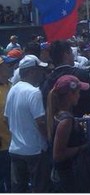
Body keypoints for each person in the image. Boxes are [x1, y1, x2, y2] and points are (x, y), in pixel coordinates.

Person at [4, 54, 51, 192]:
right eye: (40, 70)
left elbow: (6, 119)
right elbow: (41, 122)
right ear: (32, 71)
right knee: (40, 188)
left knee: (19, 189)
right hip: (35, 151)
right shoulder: (33, 92)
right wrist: (48, 140)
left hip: (15, 149)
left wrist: (18, 134)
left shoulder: (13, 88)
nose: (42, 74)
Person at [46, 75, 90, 192]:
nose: (79, 95)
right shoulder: (66, 121)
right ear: (71, 94)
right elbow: (58, 155)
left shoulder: (58, 115)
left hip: (65, 174)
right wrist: (84, 147)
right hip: (69, 175)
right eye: (78, 92)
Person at [0, 55, 17, 192]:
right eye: (9, 65)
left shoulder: (11, 86)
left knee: (12, 182)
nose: (13, 67)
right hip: (2, 144)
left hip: (13, 143)